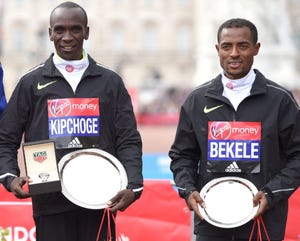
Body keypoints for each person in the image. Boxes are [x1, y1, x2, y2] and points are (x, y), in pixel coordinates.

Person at [0, 2, 143, 241]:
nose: (67, 37)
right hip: (49, 200)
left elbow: (128, 139)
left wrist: (134, 186)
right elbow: (6, 138)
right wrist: (9, 176)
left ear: (87, 32)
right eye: (59, 30)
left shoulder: (110, 82)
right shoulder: (30, 82)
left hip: (100, 198)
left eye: (75, 29)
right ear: (50, 33)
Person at [169, 18, 300, 241]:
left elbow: (297, 156)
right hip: (211, 220)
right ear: (217, 49)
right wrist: (188, 190)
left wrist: (271, 193)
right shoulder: (197, 100)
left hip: (263, 220)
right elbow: (182, 156)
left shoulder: (280, 100)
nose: (234, 53)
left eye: (243, 46)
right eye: (227, 46)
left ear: (256, 49)